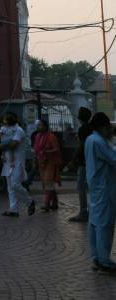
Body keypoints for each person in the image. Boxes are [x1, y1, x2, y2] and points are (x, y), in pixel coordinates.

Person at [85, 112, 116, 273]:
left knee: (95, 223)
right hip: (104, 188)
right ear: (103, 127)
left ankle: (96, 258)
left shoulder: (90, 139)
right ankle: (104, 261)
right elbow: (114, 158)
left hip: (96, 186)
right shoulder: (99, 141)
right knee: (104, 224)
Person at [0, 112, 36, 218]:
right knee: (10, 187)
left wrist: (3, 144)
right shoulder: (6, 130)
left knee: (15, 184)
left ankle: (29, 201)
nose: (5, 123)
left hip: (17, 161)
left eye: (7, 121)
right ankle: (13, 209)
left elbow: (13, 145)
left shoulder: (19, 130)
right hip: (8, 161)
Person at [69, 106, 92, 222]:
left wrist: (73, 159)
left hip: (84, 162)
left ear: (79, 117)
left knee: (81, 187)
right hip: (91, 161)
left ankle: (84, 212)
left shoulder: (83, 129)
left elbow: (81, 145)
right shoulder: (91, 128)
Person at [34, 119, 62, 212]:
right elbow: (36, 149)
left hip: (50, 162)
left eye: (41, 125)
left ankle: (46, 204)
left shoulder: (51, 137)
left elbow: (56, 149)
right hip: (42, 162)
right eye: (38, 125)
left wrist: (46, 151)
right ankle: (54, 202)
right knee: (47, 183)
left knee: (48, 182)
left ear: (45, 127)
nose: (38, 127)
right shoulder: (37, 136)